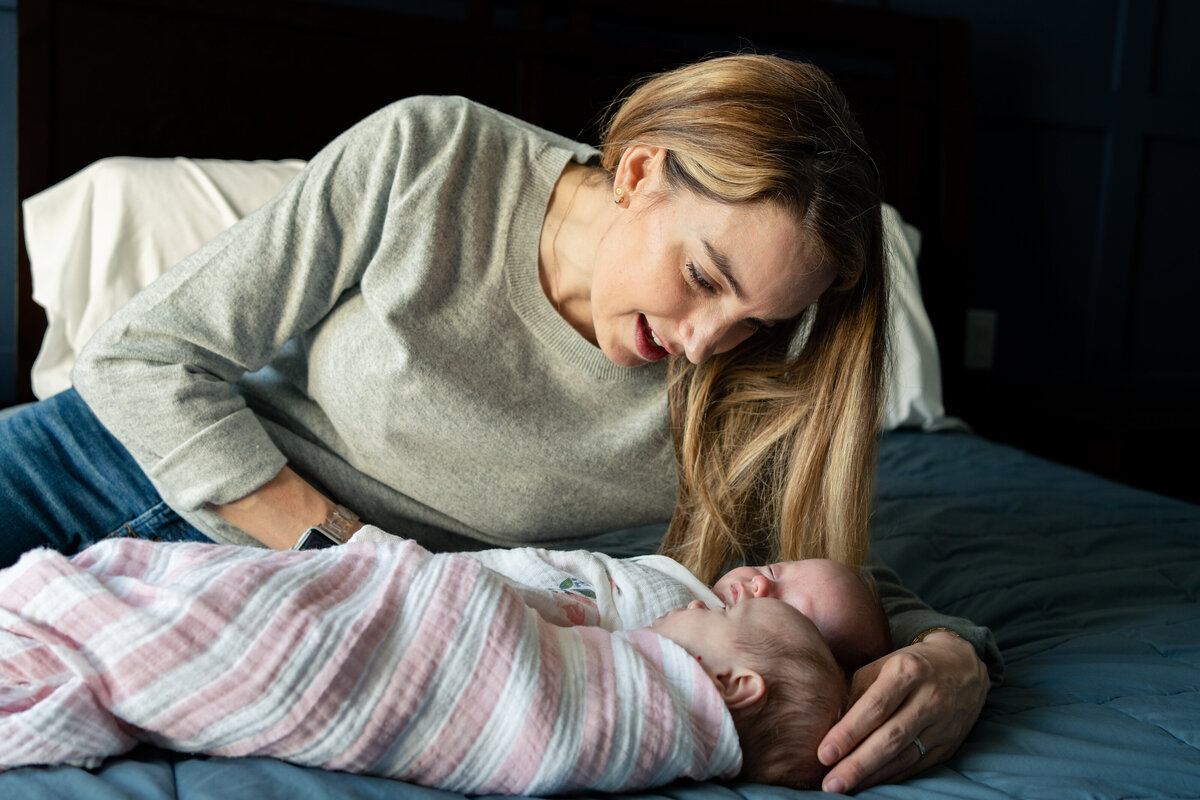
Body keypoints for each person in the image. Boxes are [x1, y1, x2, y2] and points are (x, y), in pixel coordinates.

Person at [0, 54, 994, 791]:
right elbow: (142, 355)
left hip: (305, 599)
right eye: (702, 278)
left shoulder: (741, 377)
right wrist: (344, 545)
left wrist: (954, 654)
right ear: (642, 172)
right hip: (100, 463)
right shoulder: (437, 156)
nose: (702, 342)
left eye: (752, 322)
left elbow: (816, 581)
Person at [0, 535, 844, 792]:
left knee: (225, 631)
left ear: (736, 685)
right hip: (303, 539)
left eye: (731, 617)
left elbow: (518, 692)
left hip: (404, 637)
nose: (712, 603)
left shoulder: (645, 708)